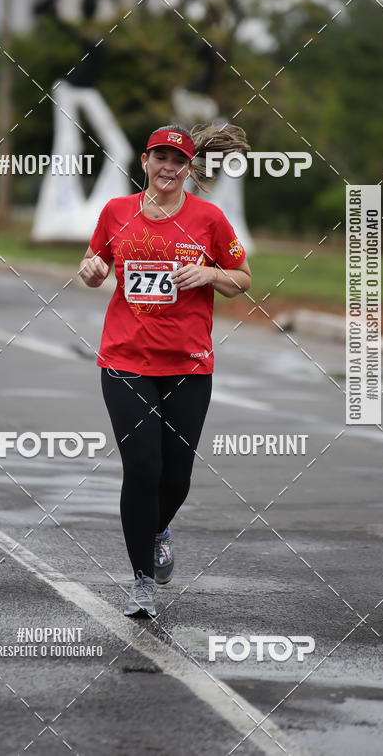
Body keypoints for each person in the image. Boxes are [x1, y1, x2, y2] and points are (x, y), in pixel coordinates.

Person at [79, 123, 251, 618]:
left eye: (178, 161)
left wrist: (211, 274)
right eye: (161, 159)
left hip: (188, 365)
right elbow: (95, 264)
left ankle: (159, 530)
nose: (169, 168)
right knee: (142, 469)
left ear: (189, 168)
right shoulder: (117, 212)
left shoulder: (209, 219)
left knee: (175, 478)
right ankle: (141, 581)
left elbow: (242, 279)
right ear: (146, 162)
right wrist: (90, 271)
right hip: (125, 360)